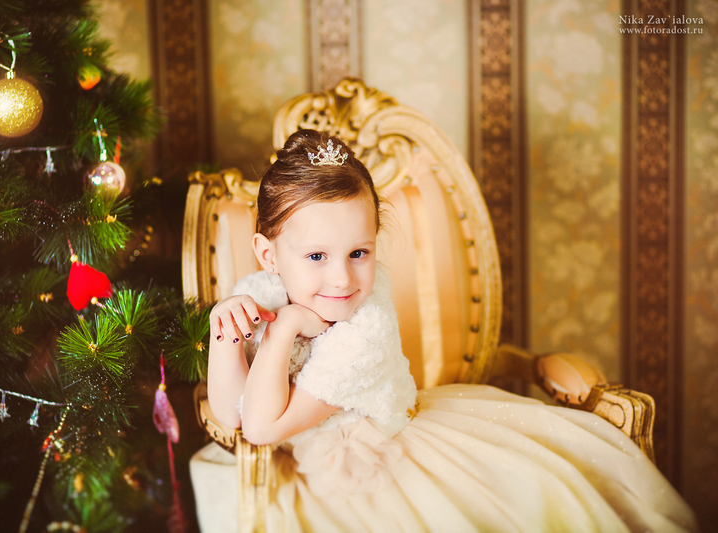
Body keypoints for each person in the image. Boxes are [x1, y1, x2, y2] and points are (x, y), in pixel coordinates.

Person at [197, 129, 698, 532]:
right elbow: (230, 413)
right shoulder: (261, 290)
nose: (342, 278)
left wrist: (284, 327)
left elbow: (259, 428)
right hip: (293, 460)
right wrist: (225, 333)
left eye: (359, 252)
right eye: (316, 256)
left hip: (370, 462)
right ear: (268, 256)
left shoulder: (364, 329)